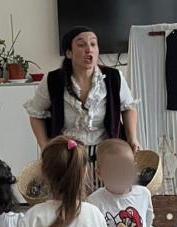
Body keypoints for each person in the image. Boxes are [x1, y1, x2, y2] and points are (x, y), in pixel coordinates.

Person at [24, 26, 140, 192]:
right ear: (69, 53)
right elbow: (36, 114)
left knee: (108, 199)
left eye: (93, 44)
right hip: (68, 155)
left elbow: (128, 107)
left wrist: (132, 138)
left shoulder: (113, 77)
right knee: (72, 200)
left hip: (107, 152)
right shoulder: (53, 80)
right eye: (81, 45)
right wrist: (45, 145)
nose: (89, 49)